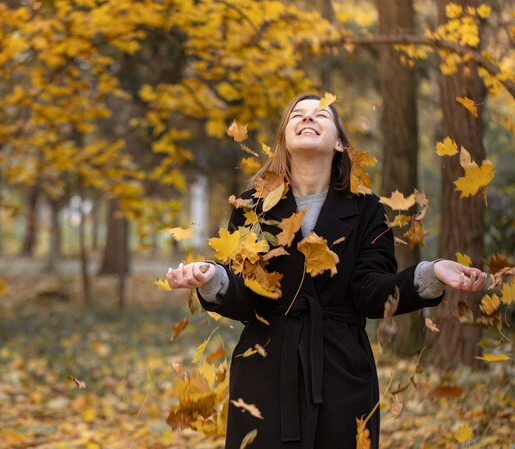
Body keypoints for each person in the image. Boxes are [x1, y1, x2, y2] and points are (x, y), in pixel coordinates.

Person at [165, 93, 486, 449]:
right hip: (265, 369)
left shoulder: (368, 208)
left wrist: (430, 273)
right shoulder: (251, 206)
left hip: (342, 370)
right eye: (296, 116)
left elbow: (372, 293)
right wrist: (212, 279)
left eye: (320, 114)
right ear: (284, 139)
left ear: (339, 142)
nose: (307, 119)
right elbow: (244, 297)